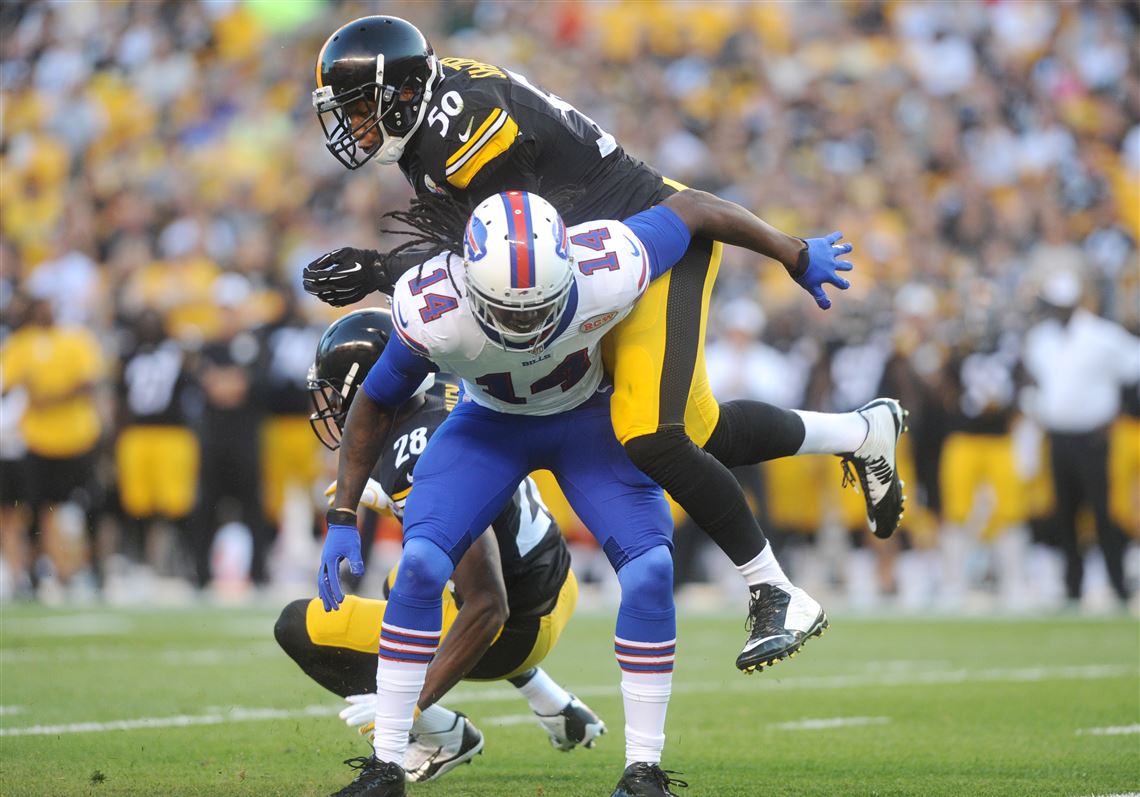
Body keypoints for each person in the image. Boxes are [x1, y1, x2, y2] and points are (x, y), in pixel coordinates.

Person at [302, 15, 907, 669]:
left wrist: (791, 252)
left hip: (651, 247)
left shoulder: (462, 133)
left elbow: (506, 257)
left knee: (649, 434)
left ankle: (775, 587)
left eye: (364, 108)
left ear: (403, 92)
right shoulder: (433, 120)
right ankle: (860, 432)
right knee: (698, 437)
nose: (357, 125)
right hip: (599, 265)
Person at [317, 188, 846, 797]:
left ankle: (643, 770)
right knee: (418, 565)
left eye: (538, 307)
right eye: (509, 312)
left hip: (586, 421)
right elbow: (376, 400)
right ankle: (387, 767)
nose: (527, 324)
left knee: (650, 571)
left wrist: (793, 253)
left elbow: (696, 210)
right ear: (469, 285)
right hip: (489, 426)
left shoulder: (610, 262)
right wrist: (341, 514)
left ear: (570, 268)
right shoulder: (432, 304)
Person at [275, 308, 605, 783]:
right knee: (404, 578)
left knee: (297, 625)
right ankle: (550, 700)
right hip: (556, 583)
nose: (330, 406)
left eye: (336, 392)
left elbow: (488, 604)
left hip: (510, 628)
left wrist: (407, 705)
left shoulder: (416, 451)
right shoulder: (442, 384)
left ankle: (439, 735)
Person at [1023, 270, 1139, 607]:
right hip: (1057, 437)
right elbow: (1034, 378)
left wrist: (1119, 411)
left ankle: (1118, 584)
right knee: (1064, 513)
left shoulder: (1101, 335)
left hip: (1094, 439)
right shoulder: (1041, 338)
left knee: (1104, 512)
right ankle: (1072, 585)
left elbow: (1134, 368)